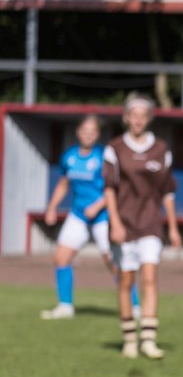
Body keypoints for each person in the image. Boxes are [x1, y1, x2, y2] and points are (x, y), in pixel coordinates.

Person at [103, 94, 181, 360]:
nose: (137, 120)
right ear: (126, 117)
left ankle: (148, 338)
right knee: (126, 281)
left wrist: (172, 227)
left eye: (142, 115)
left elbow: (167, 192)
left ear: (149, 118)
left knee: (150, 277)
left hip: (150, 224)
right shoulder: (114, 148)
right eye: (132, 115)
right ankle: (129, 340)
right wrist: (114, 223)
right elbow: (109, 189)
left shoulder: (161, 149)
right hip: (123, 224)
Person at [40, 115, 128, 320]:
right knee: (61, 257)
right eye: (85, 130)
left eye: (93, 131)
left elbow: (116, 188)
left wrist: (98, 205)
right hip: (78, 214)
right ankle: (65, 306)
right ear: (78, 132)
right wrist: (52, 207)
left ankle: (134, 306)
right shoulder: (69, 156)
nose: (88, 134)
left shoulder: (104, 156)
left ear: (97, 134)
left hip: (103, 215)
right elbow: (64, 184)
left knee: (114, 262)